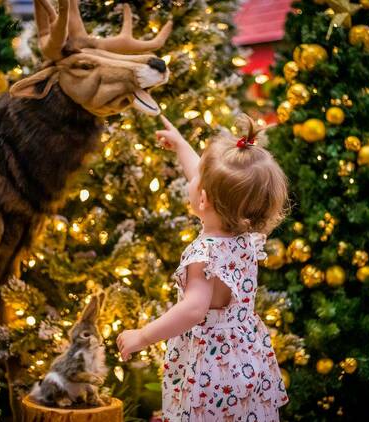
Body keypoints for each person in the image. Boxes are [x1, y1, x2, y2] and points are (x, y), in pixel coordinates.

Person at [117, 114, 290, 421]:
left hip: (211, 368)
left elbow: (194, 310)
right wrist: (182, 145)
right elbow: (209, 180)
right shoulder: (247, 236)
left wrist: (142, 336)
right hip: (245, 359)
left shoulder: (203, 254)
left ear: (204, 200)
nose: (192, 176)